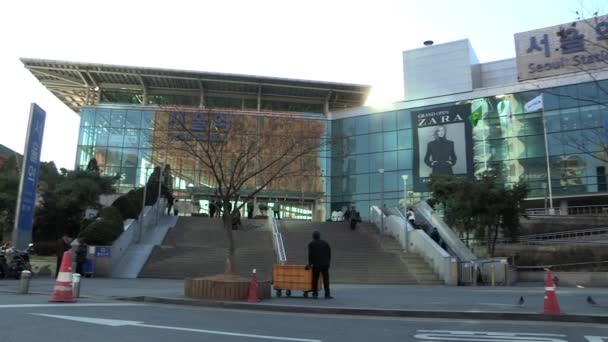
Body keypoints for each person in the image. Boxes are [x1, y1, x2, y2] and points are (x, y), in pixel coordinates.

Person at [307, 230, 332, 299]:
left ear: (313, 237)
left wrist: (309, 264)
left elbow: (310, 255)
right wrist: (328, 262)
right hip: (325, 264)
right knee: (326, 279)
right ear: (319, 236)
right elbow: (329, 253)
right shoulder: (325, 243)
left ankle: (315, 293)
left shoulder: (311, 244)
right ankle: (327, 294)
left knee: (315, 279)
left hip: (316, 265)